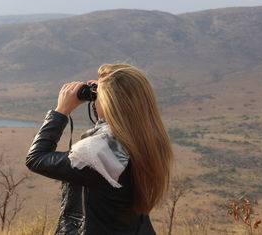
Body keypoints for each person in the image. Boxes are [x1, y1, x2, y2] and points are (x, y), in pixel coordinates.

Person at [26, 63, 173, 234]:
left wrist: (61, 111)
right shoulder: (147, 139)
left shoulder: (100, 152)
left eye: (98, 95)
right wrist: (103, 90)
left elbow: (36, 159)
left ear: (110, 102)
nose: (94, 99)